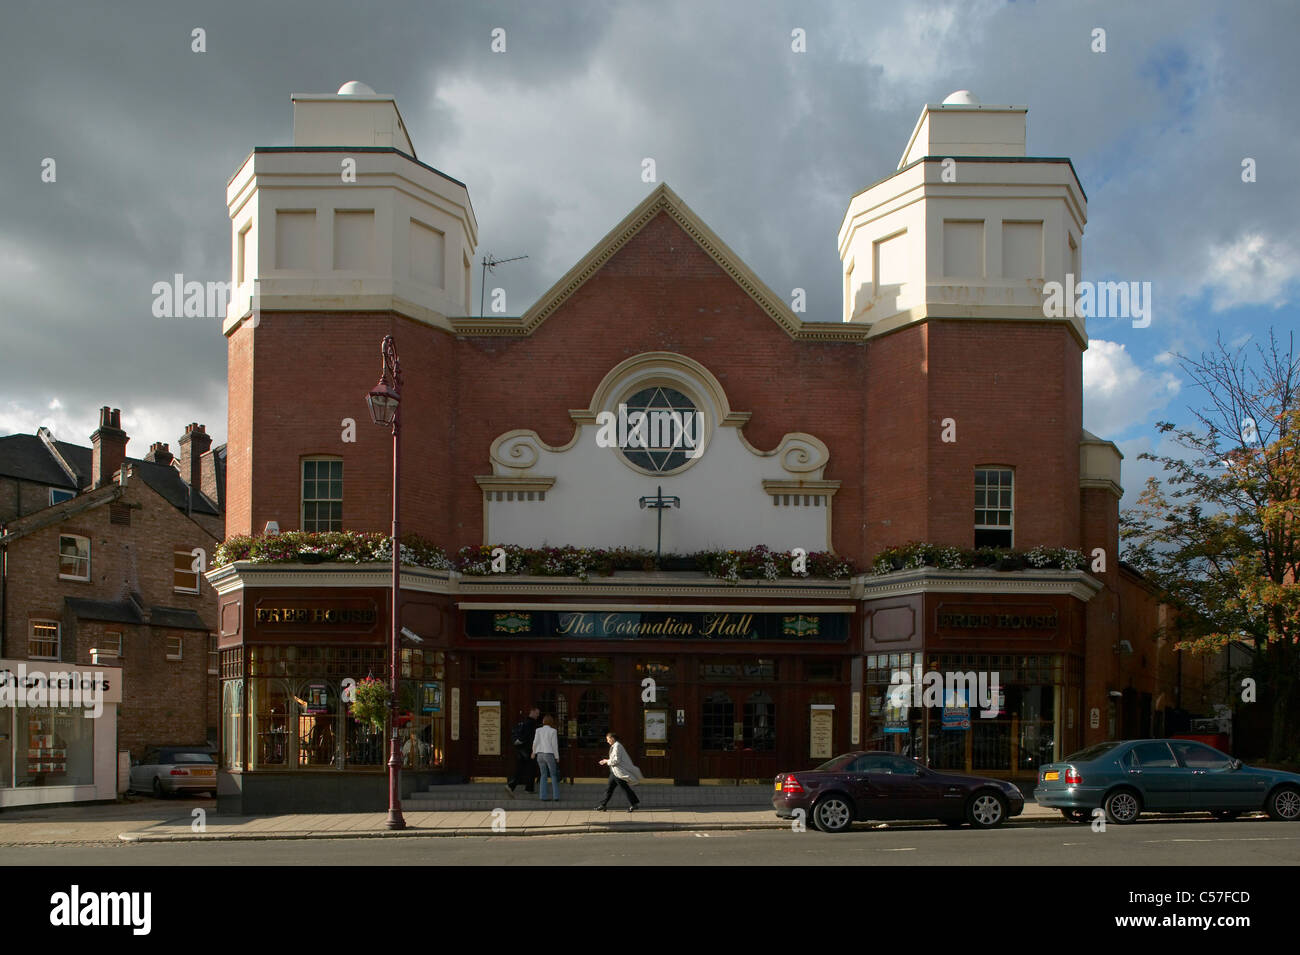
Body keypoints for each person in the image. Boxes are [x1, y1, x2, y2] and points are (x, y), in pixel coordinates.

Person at [595, 731, 642, 812]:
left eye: (608, 739)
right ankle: (603, 805)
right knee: (609, 789)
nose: (607, 741)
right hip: (614, 772)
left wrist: (606, 761)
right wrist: (607, 760)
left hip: (618, 772)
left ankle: (634, 804)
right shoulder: (615, 746)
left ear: (612, 738)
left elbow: (616, 760)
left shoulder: (617, 746)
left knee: (624, 788)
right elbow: (614, 759)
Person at [505, 706, 540, 797]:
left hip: (521, 750)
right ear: (532, 712)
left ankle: (511, 786)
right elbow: (531, 738)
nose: (538, 715)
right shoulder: (531, 723)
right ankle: (528, 788)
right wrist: (534, 750)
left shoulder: (523, 722)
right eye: (537, 713)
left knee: (521, 769)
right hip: (528, 750)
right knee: (531, 768)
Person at [532, 714, 561, 801]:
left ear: (543, 721)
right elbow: (554, 745)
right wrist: (557, 756)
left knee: (543, 775)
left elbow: (535, 742)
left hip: (540, 754)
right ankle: (556, 796)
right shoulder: (553, 731)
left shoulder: (538, 730)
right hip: (549, 754)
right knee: (553, 775)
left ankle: (543, 796)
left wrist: (533, 752)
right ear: (551, 722)